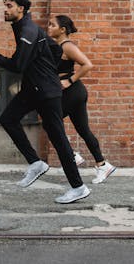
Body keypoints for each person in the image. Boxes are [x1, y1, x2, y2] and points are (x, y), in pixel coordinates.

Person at [0, 0, 90, 204]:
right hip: (33, 89)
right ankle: (36, 163)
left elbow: (17, 66)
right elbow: (52, 49)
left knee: (58, 138)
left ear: (21, 9)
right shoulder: (24, 28)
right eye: (5, 5)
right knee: (8, 119)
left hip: (45, 92)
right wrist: (46, 67)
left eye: (9, 5)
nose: (5, 9)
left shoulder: (28, 29)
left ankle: (79, 187)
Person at [47, 15, 117, 184]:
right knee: (83, 130)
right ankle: (103, 165)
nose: (48, 27)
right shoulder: (55, 45)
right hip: (72, 93)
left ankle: (72, 156)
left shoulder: (67, 46)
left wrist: (69, 80)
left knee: (50, 122)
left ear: (62, 30)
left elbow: (87, 64)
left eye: (52, 25)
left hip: (72, 92)